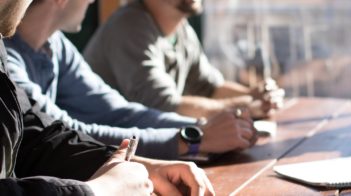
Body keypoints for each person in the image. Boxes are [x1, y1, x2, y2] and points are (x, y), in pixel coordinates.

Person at [0, 0, 214, 195]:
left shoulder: (53, 45)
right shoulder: (130, 24)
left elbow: (36, 136)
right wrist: (99, 189)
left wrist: (130, 166)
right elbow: (159, 101)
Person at [5, 0, 257, 160]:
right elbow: (66, 136)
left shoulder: (55, 44)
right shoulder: (8, 62)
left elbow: (116, 111)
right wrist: (192, 139)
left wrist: (200, 126)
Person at [83, 0, 285, 119]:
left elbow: (209, 87)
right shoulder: (129, 26)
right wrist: (246, 105)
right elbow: (163, 106)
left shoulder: (181, 29)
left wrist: (256, 94)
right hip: (107, 154)